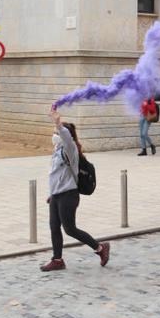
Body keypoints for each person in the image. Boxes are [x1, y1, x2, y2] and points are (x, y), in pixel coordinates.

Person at [41, 109, 110, 272]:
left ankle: (100, 248)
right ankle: (57, 260)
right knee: (54, 227)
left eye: (56, 132)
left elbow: (66, 138)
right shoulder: (57, 150)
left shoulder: (70, 150)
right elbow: (56, 175)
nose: (54, 135)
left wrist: (58, 124)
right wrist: (52, 194)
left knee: (70, 229)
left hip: (68, 195)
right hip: (57, 195)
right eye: (54, 132)